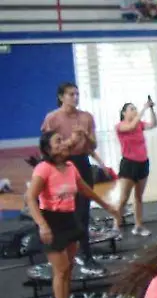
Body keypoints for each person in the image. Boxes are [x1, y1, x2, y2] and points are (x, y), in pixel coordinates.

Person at [25, 131, 123, 298]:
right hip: (51, 222)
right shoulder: (43, 169)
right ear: (48, 149)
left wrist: (108, 206)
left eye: (62, 139)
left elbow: (85, 189)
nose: (63, 144)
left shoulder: (70, 167)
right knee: (60, 270)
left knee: (69, 269)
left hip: (69, 220)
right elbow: (30, 198)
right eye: (58, 141)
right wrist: (43, 226)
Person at [41, 82, 102, 271]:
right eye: (70, 94)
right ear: (61, 97)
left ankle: (86, 255)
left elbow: (93, 146)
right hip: (61, 165)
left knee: (83, 212)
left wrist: (85, 135)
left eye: (77, 94)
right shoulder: (52, 118)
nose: (75, 97)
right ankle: (64, 254)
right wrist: (70, 142)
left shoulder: (86, 117)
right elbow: (46, 148)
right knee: (66, 212)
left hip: (82, 163)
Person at [115, 98, 157, 237]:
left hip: (143, 163)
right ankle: (116, 225)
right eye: (131, 109)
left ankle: (138, 225)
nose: (134, 111)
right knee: (123, 198)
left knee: (138, 197)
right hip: (129, 164)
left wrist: (151, 108)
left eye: (135, 108)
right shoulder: (120, 126)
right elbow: (131, 127)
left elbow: (154, 124)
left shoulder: (140, 124)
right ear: (123, 113)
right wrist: (144, 108)